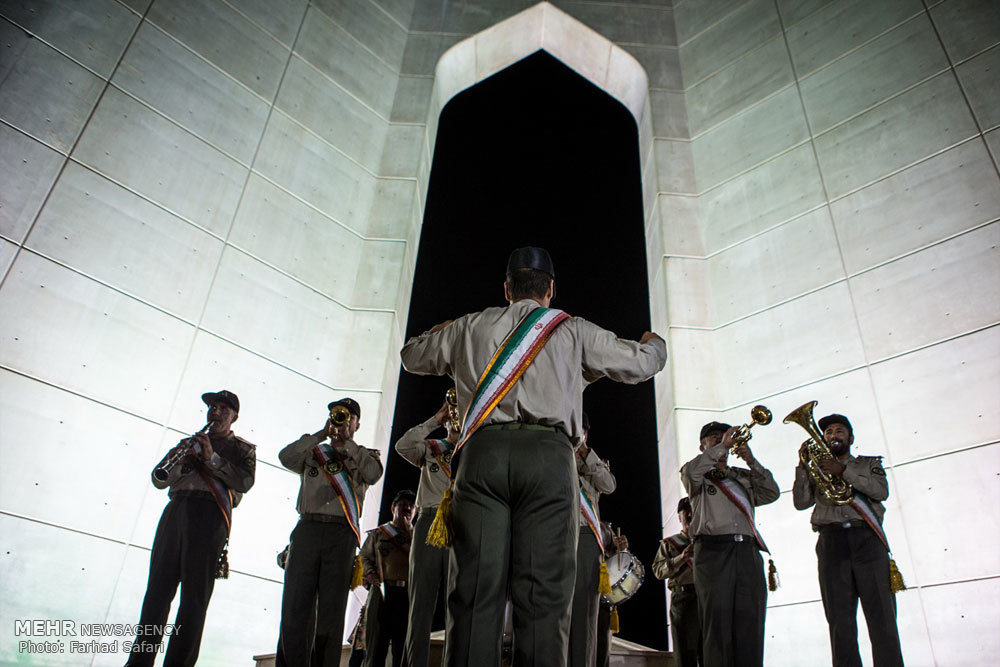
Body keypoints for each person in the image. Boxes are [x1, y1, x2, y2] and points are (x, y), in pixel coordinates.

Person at [400, 246, 667, 666]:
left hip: (481, 459)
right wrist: (654, 343)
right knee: (544, 601)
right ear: (551, 289)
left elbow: (412, 356)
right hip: (548, 460)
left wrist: (446, 327)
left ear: (506, 289)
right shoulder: (572, 329)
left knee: (473, 597)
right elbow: (642, 363)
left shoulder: (470, 326)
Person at [125, 390, 256, 667]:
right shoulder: (188, 442)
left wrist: (211, 459)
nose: (215, 412)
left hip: (210, 515)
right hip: (177, 511)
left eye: (223, 408)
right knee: (157, 592)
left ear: (235, 416)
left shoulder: (243, 449)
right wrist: (182, 461)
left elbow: (244, 483)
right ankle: (139, 662)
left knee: (194, 601)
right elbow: (159, 480)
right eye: (212, 406)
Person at [275, 398, 384, 667]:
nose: (342, 420)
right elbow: (285, 457)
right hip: (307, 528)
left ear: (357, 423)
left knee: (330, 615)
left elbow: (373, 474)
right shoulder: (314, 451)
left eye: (349, 416)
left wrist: (347, 443)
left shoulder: (363, 454)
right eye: (337, 415)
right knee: (294, 609)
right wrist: (321, 434)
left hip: (340, 534)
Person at [792, 413, 904, 667]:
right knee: (839, 620)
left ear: (850, 437)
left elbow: (880, 492)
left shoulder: (867, 464)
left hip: (867, 539)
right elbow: (801, 503)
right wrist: (802, 466)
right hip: (831, 542)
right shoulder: (814, 468)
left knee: (882, 617)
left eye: (839, 431)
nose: (833, 435)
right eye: (828, 432)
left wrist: (843, 471)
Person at [680, 421, 779, 667]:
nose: (719, 438)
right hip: (713, 552)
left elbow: (771, 493)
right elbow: (690, 473)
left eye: (722, 435)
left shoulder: (741, 476)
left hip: (747, 550)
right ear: (702, 446)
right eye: (712, 437)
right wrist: (722, 446)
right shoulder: (697, 474)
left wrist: (751, 460)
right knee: (717, 625)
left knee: (751, 623)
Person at [394, 395, 457, 667]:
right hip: (429, 523)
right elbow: (403, 446)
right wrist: (435, 419)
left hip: (461, 525)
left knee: (458, 604)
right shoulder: (432, 448)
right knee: (420, 606)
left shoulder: (475, 448)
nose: (456, 418)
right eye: (453, 413)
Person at [568, 412, 617, 667]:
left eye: (582, 431)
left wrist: (586, 453)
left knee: (586, 614)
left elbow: (608, 486)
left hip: (586, 537)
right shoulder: (555, 454)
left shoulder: (593, 461)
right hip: (556, 535)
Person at [360, 490, 417, 667]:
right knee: (376, 647)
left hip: (408, 596)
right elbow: (364, 557)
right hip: (382, 593)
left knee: (403, 651)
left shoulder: (419, 537)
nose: (407, 507)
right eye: (402, 504)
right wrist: (370, 572)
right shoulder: (378, 534)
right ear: (393, 508)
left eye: (411, 505)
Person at [652, 497, 702, 667]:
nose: (689, 514)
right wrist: (682, 558)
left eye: (692, 510)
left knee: (711, 653)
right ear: (679, 517)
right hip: (683, 599)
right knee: (685, 654)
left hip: (707, 598)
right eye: (685, 511)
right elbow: (658, 571)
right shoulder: (669, 544)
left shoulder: (708, 541)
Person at [595, 523, 629, 667]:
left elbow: (615, 563)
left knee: (601, 651)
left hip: (600, 598)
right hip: (574, 592)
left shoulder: (604, 527)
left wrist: (621, 550)